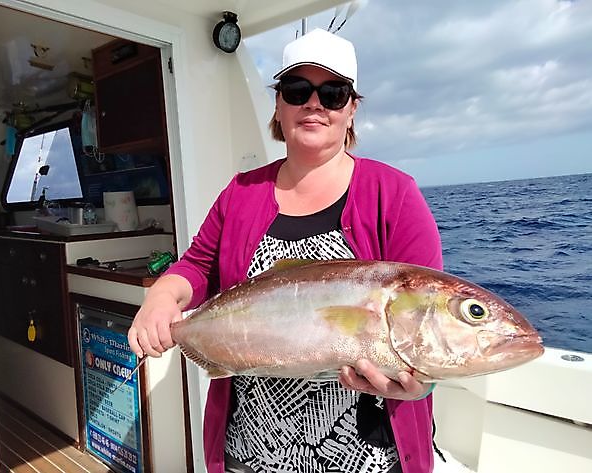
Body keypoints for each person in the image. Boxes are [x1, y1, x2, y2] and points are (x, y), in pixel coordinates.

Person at [128, 28, 442, 473]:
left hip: (366, 458)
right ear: (278, 104)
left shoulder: (394, 195)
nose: (314, 104)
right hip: (249, 451)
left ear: (352, 109)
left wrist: (421, 388)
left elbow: (424, 316)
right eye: (298, 90)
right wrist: (163, 296)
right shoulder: (241, 193)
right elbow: (197, 266)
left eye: (333, 93)